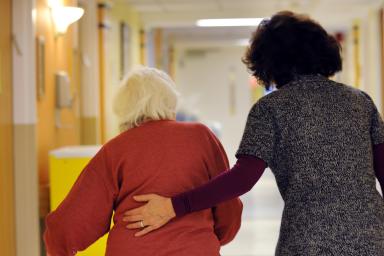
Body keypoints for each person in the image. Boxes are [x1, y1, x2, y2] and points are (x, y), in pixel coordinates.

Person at [123, 11, 384, 255]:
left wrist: (174, 206)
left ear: (268, 61)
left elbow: (242, 178)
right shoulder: (360, 101)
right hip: (373, 237)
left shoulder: (271, 108)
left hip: (307, 240)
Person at [43, 67, 243, 256]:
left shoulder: (115, 150)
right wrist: (206, 239)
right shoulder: (201, 137)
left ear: (124, 108)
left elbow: (69, 224)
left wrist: (57, 247)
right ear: (170, 102)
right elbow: (228, 205)